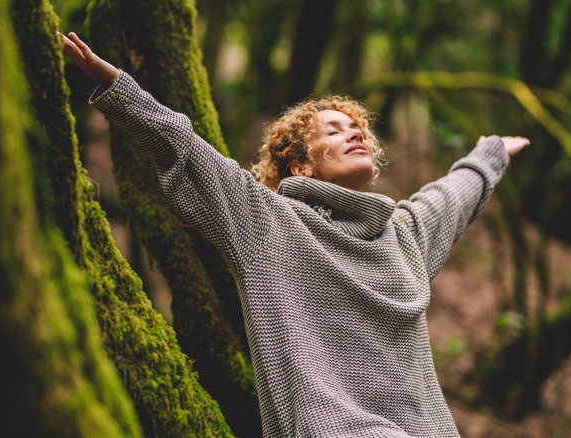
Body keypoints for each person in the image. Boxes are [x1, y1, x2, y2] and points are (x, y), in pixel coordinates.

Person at [61, 31, 529, 437]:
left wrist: (492, 155)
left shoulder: (402, 235)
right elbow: (188, 150)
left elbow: (450, 197)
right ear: (301, 164)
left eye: (357, 128)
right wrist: (117, 86)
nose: (355, 134)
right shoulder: (269, 224)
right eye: (335, 129)